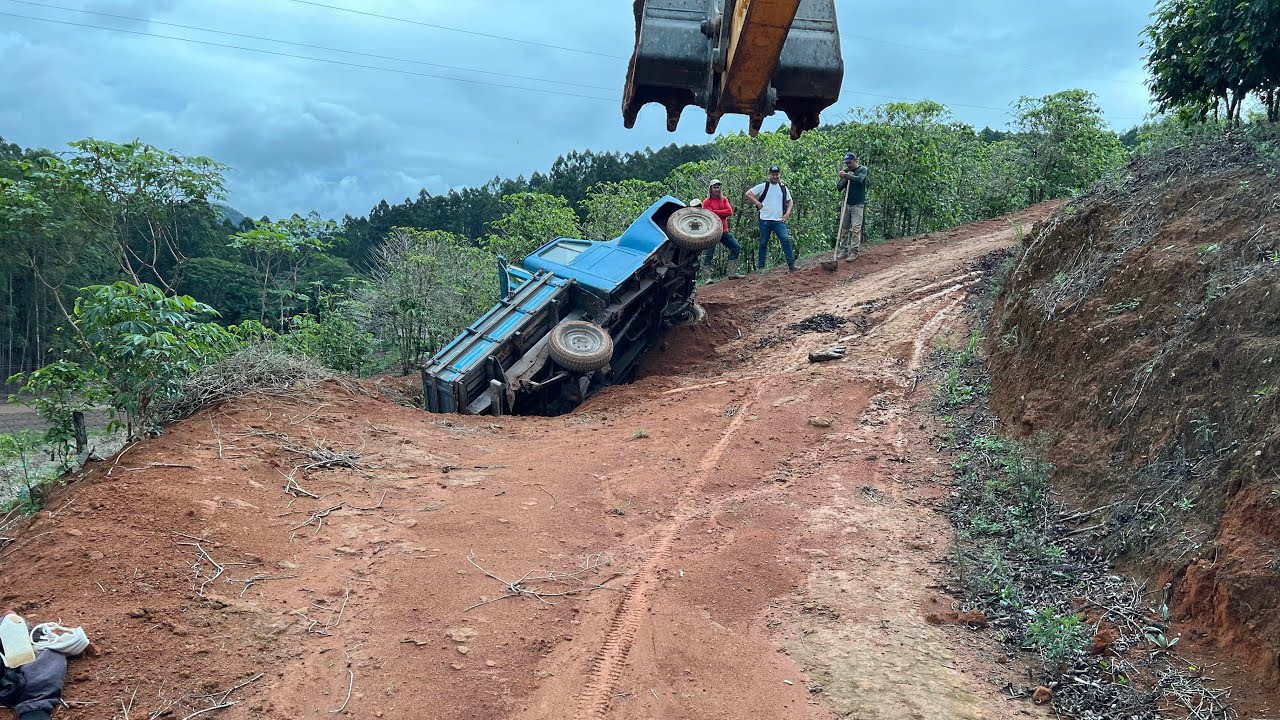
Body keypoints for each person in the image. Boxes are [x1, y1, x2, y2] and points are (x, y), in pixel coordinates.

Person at [745, 165, 796, 272]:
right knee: (763, 242)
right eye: (773, 174)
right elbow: (748, 193)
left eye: (776, 174)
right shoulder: (764, 186)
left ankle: (792, 265)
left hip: (779, 220)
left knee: (785, 240)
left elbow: (790, 201)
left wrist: (787, 213)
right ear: (769, 175)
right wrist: (757, 203)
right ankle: (761, 267)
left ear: (779, 175)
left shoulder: (783, 188)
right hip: (765, 219)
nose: (775, 176)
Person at [699, 179, 743, 280]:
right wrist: (720, 212)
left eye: (718, 187)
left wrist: (715, 211)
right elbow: (710, 216)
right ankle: (707, 278)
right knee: (709, 254)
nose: (716, 189)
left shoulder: (724, 199)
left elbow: (729, 212)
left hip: (723, 231)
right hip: (712, 232)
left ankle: (732, 273)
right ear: (710, 189)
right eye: (714, 187)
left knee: (736, 247)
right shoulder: (706, 201)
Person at [836, 152, 869, 261]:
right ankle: (843, 250)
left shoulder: (862, 170)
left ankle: (854, 251)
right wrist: (845, 177)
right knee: (844, 228)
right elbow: (839, 187)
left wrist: (847, 175)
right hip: (847, 203)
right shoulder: (846, 172)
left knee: (855, 228)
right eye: (846, 163)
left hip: (858, 204)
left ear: (855, 160)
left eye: (849, 162)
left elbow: (859, 179)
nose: (848, 165)